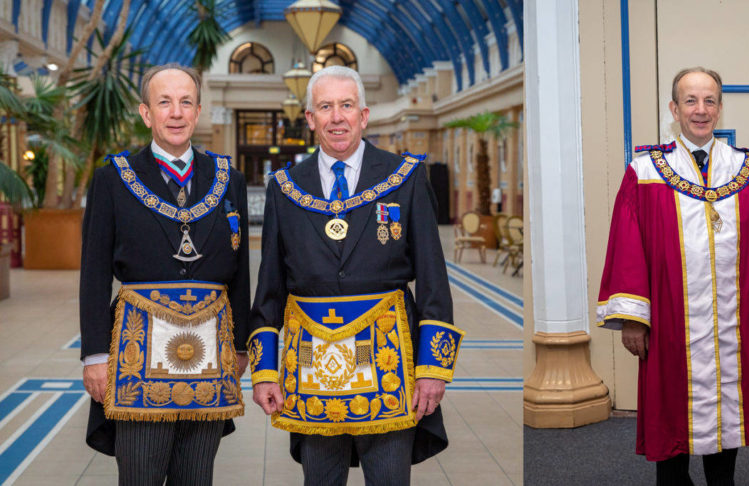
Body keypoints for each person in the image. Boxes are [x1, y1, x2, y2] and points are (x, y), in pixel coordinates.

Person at [247, 65, 463, 485]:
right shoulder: (285, 186)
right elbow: (269, 287)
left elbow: (434, 279)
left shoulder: (406, 177)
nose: (337, 117)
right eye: (325, 107)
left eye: (346, 105)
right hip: (310, 368)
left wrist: (433, 368)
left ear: (364, 115)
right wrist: (265, 371)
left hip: (389, 364)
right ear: (310, 119)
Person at [596, 66, 749, 486]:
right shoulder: (645, 172)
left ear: (719, 108)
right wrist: (633, 318)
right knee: (671, 417)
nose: (700, 110)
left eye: (709, 101)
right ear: (674, 108)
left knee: (729, 415)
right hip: (670, 322)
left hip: (732, 322)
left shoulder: (746, 170)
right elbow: (627, 250)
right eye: (690, 101)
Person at [79, 63, 250, 484]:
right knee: (140, 473)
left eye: (186, 102)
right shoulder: (114, 179)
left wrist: (242, 345)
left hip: (211, 353)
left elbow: (241, 270)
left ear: (198, 111)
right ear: (145, 113)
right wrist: (96, 356)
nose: (176, 112)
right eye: (164, 102)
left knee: (197, 475)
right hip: (137, 353)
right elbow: (94, 272)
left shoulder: (229, 179)